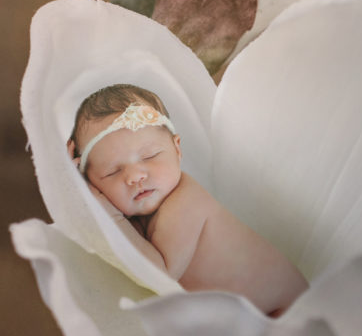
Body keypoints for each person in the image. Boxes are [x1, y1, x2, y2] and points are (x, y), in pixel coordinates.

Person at [67, 84, 308, 317]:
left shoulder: (185, 202)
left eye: (149, 156)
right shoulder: (142, 212)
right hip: (243, 325)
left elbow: (157, 274)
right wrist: (72, 180)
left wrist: (108, 212)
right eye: (112, 172)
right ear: (92, 181)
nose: (135, 176)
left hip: (285, 311)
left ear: (177, 149)